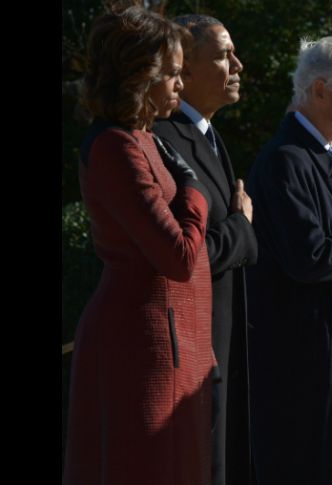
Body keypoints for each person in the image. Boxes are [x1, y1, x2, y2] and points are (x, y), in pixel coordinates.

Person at [64, 6, 215, 485]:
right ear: (138, 76)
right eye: (170, 73)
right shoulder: (114, 146)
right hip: (145, 349)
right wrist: (196, 191)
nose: (179, 83)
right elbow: (178, 256)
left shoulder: (143, 138)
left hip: (175, 344)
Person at [244, 36, 332, 485]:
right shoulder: (288, 161)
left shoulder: (322, 156)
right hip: (309, 365)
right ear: (320, 90)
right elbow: (313, 257)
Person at [152, 14, 258, 485]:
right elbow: (182, 254)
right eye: (222, 55)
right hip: (193, 346)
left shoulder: (207, 135)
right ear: (184, 70)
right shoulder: (164, 137)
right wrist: (242, 227)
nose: (237, 64)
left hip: (222, 344)